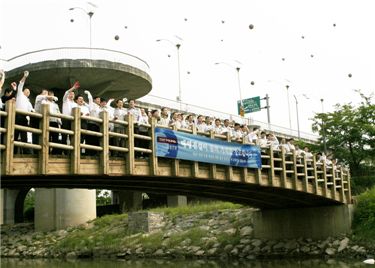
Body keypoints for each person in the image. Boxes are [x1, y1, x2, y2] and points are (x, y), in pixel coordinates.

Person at [15, 71, 33, 154]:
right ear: (23, 91)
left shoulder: (28, 101)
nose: (28, 92)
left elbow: (32, 110)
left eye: (29, 92)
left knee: (24, 136)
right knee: (15, 134)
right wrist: (25, 76)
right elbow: (21, 84)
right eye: (27, 91)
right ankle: (13, 152)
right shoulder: (20, 94)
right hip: (17, 115)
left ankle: (25, 152)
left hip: (25, 118)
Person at [61, 82, 79, 150]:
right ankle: (63, 151)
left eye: (73, 94)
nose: (72, 95)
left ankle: (71, 151)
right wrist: (73, 88)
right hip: (66, 119)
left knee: (73, 136)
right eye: (70, 94)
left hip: (73, 121)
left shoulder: (75, 104)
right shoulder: (65, 100)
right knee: (64, 135)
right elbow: (66, 92)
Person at [44, 90, 62, 155]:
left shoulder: (56, 104)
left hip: (55, 122)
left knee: (55, 138)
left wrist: (59, 121)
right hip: (47, 121)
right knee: (47, 137)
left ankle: (55, 153)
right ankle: (46, 152)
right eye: (50, 95)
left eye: (52, 95)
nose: (51, 96)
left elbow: (58, 113)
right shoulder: (45, 102)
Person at [84, 90, 101, 156]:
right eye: (98, 99)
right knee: (90, 138)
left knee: (96, 139)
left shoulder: (100, 107)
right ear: (94, 100)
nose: (99, 100)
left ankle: (95, 153)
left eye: (99, 100)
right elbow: (90, 99)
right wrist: (88, 92)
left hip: (97, 125)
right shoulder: (92, 105)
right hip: (91, 124)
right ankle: (88, 153)